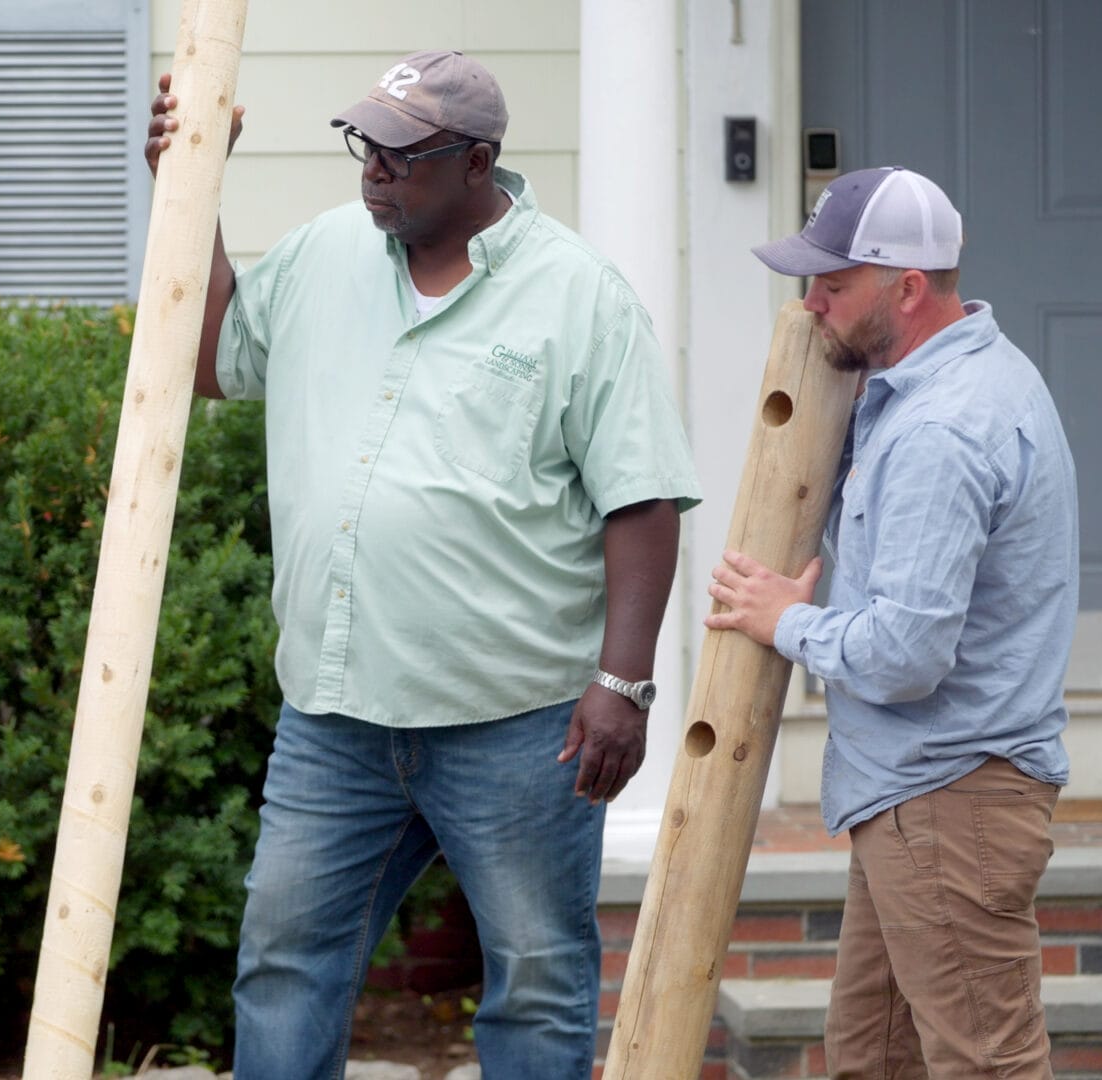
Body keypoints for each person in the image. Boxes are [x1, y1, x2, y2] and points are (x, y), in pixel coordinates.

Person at [146, 51, 700, 1076]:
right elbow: (212, 356)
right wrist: (194, 192)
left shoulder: (578, 297)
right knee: (284, 960)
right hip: (336, 717)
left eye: (404, 154)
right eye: (367, 145)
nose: (375, 171)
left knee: (535, 983)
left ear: (479, 162)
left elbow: (642, 499)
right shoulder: (321, 256)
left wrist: (622, 682)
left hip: (518, 724)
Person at [707, 166, 1077, 1077]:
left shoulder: (941, 431)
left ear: (906, 287)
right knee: (870, 1059)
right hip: (914, 796)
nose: (812, 304)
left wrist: (784, 621)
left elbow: (907, 655)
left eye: (834, 285)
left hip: (952, 799)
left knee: (983, 1063)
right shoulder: (956, 379)